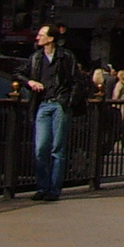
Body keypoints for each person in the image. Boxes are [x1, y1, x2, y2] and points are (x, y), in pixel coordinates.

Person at [24, 25, 80, 202]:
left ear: (51, 39)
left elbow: (77, 81)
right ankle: (42, 187)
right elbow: (19, 73)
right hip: (43, 104)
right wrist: (30, 82)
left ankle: (54, 190)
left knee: (57, 148)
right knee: (41, 148)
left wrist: (68, 102)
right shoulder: (36, 58)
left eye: (41, 35)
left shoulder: (66, 57)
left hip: (59, 105)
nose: (37, 38)